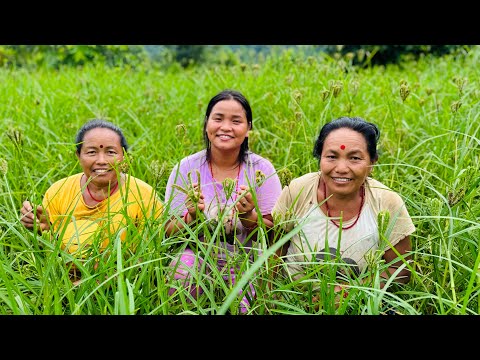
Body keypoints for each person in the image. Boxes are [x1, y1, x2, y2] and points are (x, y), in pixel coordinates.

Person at [272, 116, 415, 308]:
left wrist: (352, 292)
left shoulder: (386, 202)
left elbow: (400, 269)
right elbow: (273, 252)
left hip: (359, 305)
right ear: (320, 158)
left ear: (372, 163)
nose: (341, 168)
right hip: (291, 304)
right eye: (331, 157)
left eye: (355, 158)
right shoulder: (298, 191)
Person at [164, 89, 282, 314]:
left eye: (236, 121)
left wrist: (249, 217)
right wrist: (192, 216)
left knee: (242, 308)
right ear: (207, 124)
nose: (225, 127)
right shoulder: (187, 168)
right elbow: (169, 232)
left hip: (247, 262)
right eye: (218, 119)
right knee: (182, 270)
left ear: (248, 129)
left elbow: (275, 235)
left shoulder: (261, 169)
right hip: (199, 259)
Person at [19, 119, 163, 281]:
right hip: (63, 282)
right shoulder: (59, 191)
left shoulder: (143, 195)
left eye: (110, 152)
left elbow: (149, 256)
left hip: (120, 284)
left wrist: (97, 282)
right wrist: (41, 229)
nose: (101, 160)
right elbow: (47, 249)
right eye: (91, 152)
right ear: (78, 156)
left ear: (124, 157)